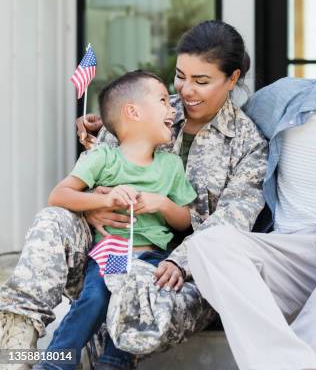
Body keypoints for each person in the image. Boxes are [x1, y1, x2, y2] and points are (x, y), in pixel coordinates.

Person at [0, 21, 267, 367]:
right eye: (181, 76)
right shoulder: (144, 106)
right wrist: (95, 204)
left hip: (177, 273)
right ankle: (15, 352)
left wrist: (179, 261)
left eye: (201, 81)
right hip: (111, 247)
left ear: (232, 79)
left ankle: (89, 359)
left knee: (126, 296)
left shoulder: (249, 146)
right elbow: (96, 175)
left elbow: (231, 223)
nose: (185, 91)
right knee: (54, 221)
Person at [34, 70, 197, 370]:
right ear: (133, 112)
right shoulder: (103, 158)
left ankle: (113, 364)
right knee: (95, 298)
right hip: (114, 253)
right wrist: (105, 199)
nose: (172, 108)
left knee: (133, 305)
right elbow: (59, 195)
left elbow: (185, 221)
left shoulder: (170, 165)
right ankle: (55, 363)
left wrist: (161, 203)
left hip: (152, 259)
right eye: (163, 100)